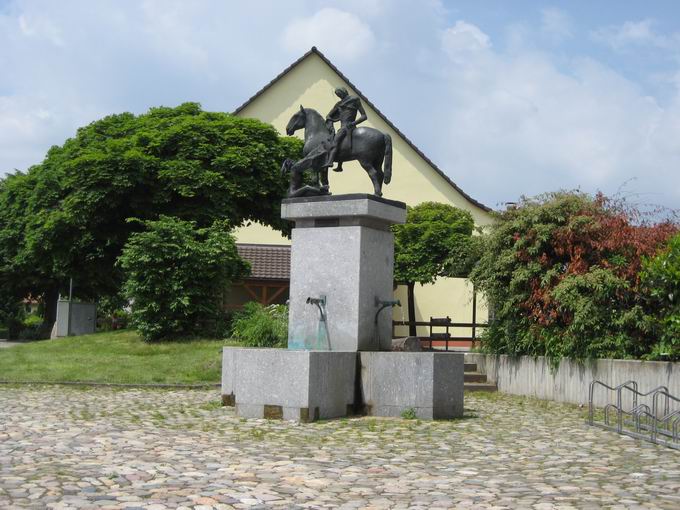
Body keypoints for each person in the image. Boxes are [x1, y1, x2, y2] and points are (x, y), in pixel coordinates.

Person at [323, 87, 367, 172]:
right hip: (342, 127)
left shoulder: (354, 100)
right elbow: (329, 116)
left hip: (348, 126)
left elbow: (364, 116)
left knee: (335, 142)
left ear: (344, 92)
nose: (339, 95)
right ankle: (339, 166)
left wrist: (353, 123)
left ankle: (330, 161)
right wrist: (330, 121)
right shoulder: (339, 104)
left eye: (339, 93)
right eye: (337, 94)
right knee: (340, 142)